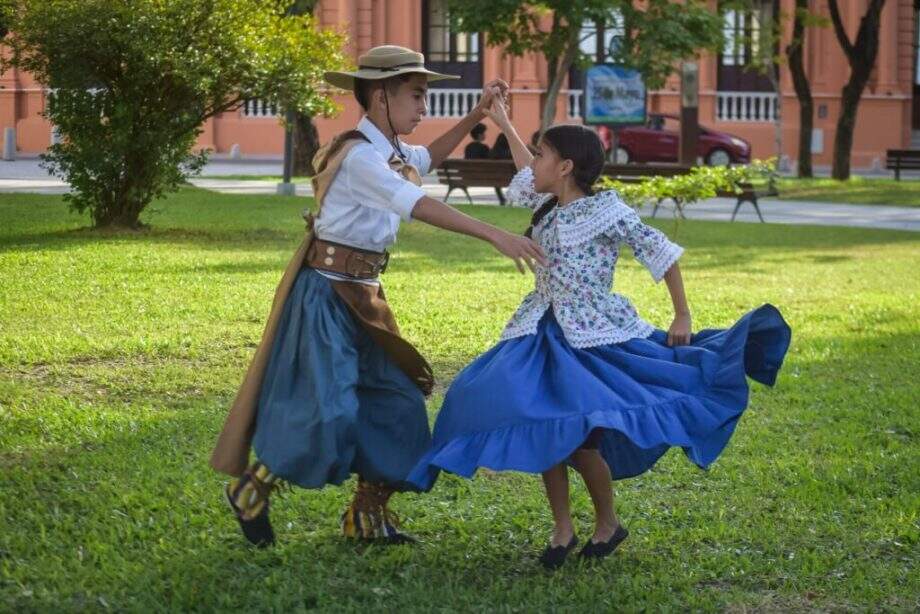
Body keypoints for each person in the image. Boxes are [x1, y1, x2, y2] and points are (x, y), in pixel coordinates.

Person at [407, 97, 792, 569]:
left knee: (577, 440)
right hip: (540, 330)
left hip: (592, 336)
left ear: (566, 166)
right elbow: (526, 171)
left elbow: (663, 253)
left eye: (543, 154)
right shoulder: (545, 201)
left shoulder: (606, 211)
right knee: (537, 421)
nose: (535, 163)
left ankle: (607, 522)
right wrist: (503, 119)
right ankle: (562, 528)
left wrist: (682, 316)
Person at [209, 45, 545, 547]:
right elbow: (413, 201)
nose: (425, 106)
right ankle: (252, 489)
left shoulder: (391, 151)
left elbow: (427, 159)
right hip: (324, 297)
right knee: (327, 410)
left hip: (365, 298)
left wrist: (479, 114)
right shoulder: (360, 158)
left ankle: (366, 515)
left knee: (398, 403)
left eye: (426, 95)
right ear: (381, 95)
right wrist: (494, 234)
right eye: (417, 94)